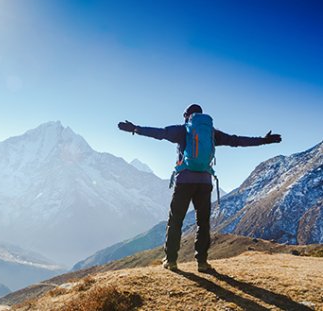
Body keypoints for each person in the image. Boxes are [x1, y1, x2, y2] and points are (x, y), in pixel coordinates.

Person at [118, 104, 281, 272]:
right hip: (205, 182)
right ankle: (202, 262)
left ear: (187, 116)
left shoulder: (182, 130)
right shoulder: (212, 133)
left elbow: (160, 133)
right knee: (203, 223)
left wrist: (135, 129)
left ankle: (171, 260)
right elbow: (237, 140)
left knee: (175, 221)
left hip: (184, 181)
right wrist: (264, 140)